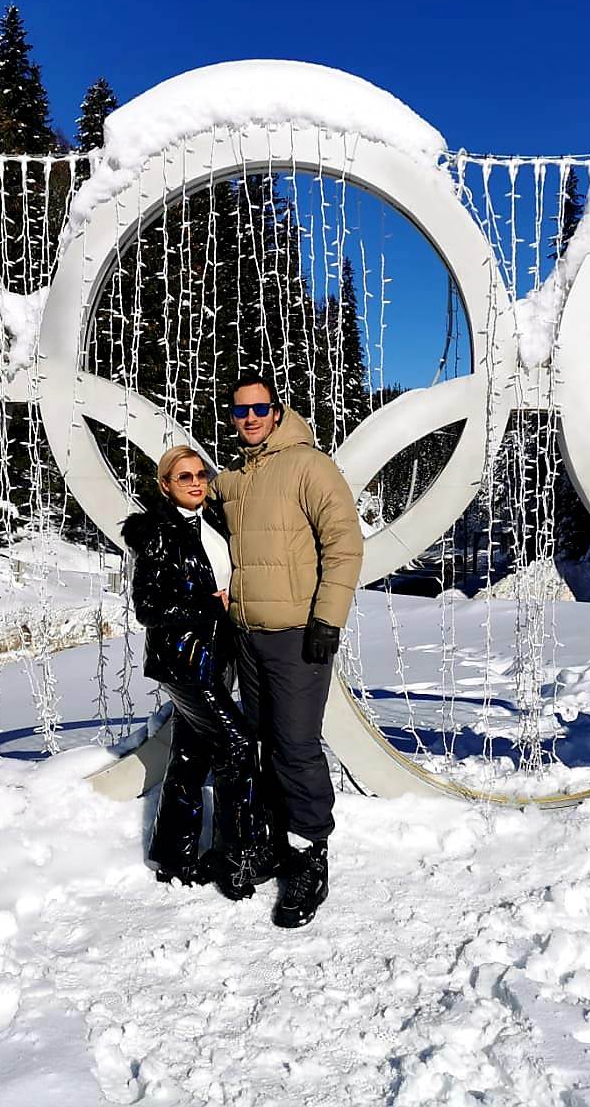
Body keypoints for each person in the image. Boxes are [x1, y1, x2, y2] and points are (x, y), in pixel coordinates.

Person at [214, 373, 363, 928]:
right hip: (248, 637)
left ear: (278, 411)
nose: (249, 418)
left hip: (299, 636)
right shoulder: (238, 478)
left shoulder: (309, 466)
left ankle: (310, 855)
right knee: (259, 745)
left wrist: (327, 618)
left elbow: (345, 544)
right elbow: (200, 500)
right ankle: (273, 841)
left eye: (259, 408)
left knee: (295, 747)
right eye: (239, 411)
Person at [121, 444, 275, 902]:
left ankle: (174, 854)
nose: (194, 482)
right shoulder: (158, 533)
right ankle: (237, 857)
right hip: (185, 661)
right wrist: (209, 605)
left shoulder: (214, 522)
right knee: (239, 744)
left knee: (191, 756)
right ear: (165, 485)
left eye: (199, 474)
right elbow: (147, 608)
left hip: (216, 656)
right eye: (182, 476)